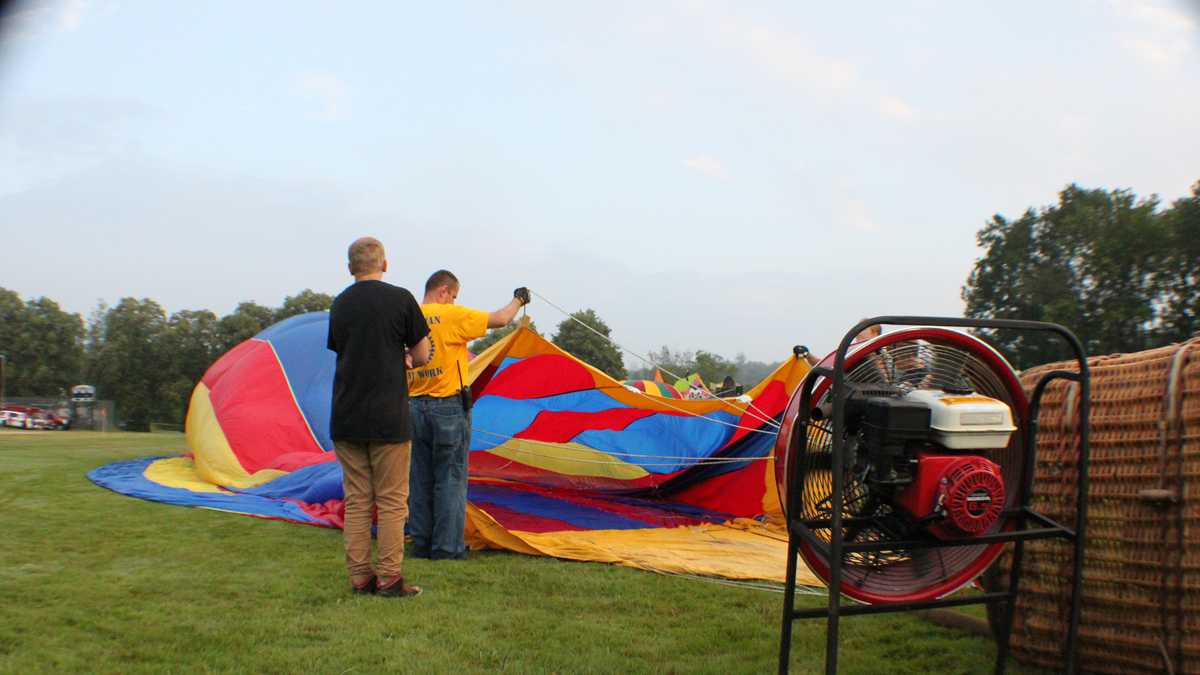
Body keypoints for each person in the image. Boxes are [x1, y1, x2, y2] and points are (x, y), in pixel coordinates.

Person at [327, 237, 431, 598]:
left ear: (350, 267)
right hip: (388, 415)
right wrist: (407, 359)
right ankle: (389, 578)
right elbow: (422, 352)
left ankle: (360, 577)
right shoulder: (401, 299)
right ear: (384, 264)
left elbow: (346, 350)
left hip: (345, 414)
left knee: (357, 500)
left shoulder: (339, 304)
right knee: (390, 500)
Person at [407, 270, 530, 560]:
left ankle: (421, 543)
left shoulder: (409, 315)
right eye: (454, 297)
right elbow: (500, 319)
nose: (454, 302)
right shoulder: (450, 315)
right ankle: (447, 548)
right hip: (447, 407)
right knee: (450, 478)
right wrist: (518, 300)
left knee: (419, 478)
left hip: (413, 405)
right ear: (444, 291)